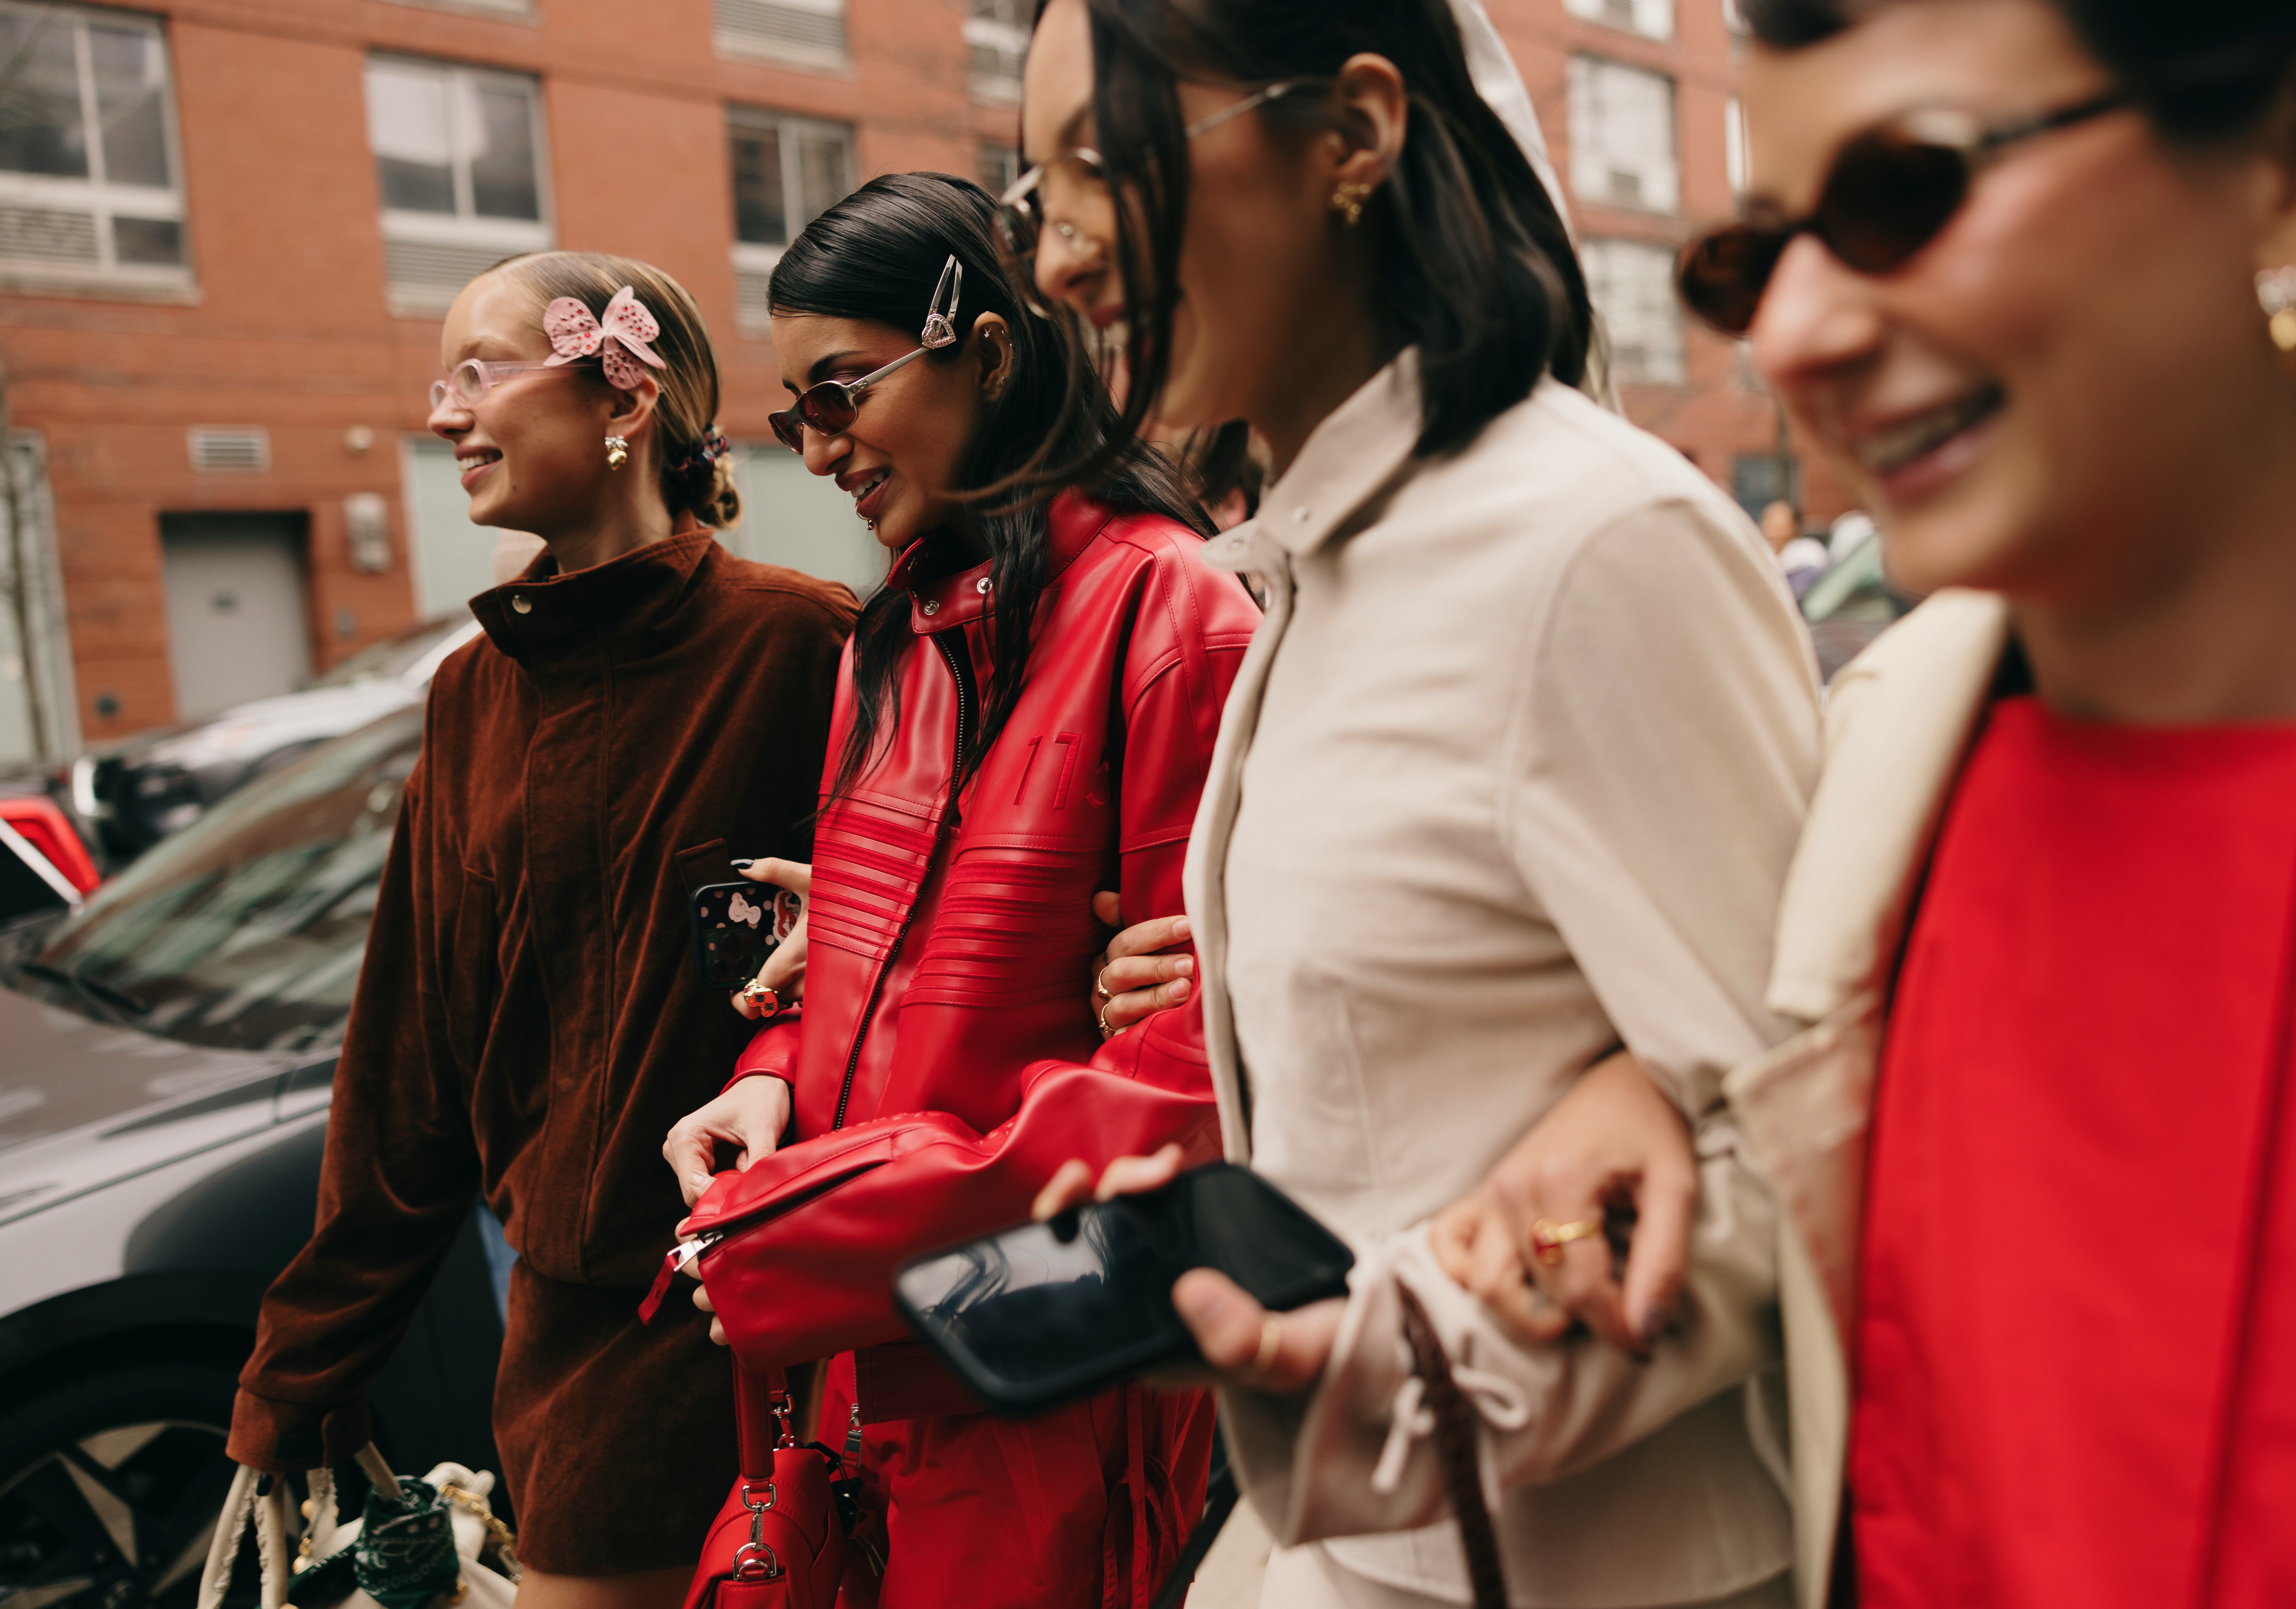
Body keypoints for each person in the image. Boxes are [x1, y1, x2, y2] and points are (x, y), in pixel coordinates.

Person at [1440, 1, 2296, 1604]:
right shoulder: (1885, 778)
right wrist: (1651, 1102)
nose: (1798, 334)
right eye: (1758, 261)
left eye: (1907, 193)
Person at [1019, 2, 1824, 1605]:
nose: (1059, 258)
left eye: (1102, 169)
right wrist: (1239, 1237)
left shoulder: (1591, 542)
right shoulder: (1310, 563)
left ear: (1354, 137)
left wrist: (1389, 1365)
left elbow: (1809, 1134)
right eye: (1033, 197)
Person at [656, 172, 1260, 1609]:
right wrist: (772, 1083)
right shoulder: (889, 645)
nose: (814, 453)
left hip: (1048, 1378)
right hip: (865, 1371)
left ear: (987, 352)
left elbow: (1191, 1099)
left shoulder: (1175, 617)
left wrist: (815, 1233)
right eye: (793, 409)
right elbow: (848, 971)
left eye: (840, 393)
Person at [227, 254, 857, 1609]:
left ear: (620, 395)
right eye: (439, 383)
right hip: (577, 1351)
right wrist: (304, 1366)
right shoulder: (470, 700)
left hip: (801, 1315)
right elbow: (409, 1063)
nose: (445, 415)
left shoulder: (806, 650)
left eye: (478, 372)